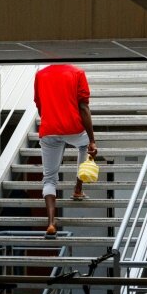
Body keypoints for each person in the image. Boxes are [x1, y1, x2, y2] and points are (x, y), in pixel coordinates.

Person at [34, 64, 97, 238]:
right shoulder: (77, 73)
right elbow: (83, 108)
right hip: (73, 129)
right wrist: (92, 140)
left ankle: (51, 223)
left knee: (49, 178)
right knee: (84, 146)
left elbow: (39, 106)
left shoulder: (40, 74)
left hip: (48, 130)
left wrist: (51, 122)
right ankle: (78, 188)